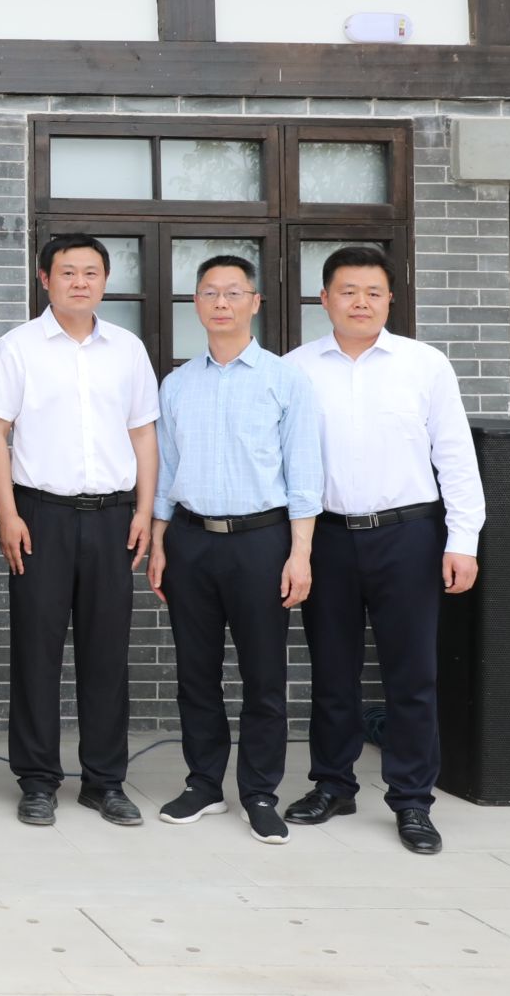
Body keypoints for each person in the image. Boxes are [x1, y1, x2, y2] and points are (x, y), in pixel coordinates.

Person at [281, 246, 484, 856]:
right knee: (331, 671)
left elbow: (455, 455)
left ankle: (413, 800)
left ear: (391, 298)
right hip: (327, 537)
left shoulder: (424, 365)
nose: (360, 302)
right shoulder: (296, 369)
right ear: (324, 299)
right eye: (347, 291)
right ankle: (333, 784)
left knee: (412, 673)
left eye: (373, 291)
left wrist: (463, 540)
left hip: (409, 534)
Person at [0, 234, 160, 829]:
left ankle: (105, 781)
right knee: (36, 649)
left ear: (105, 280)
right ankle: (37, 780)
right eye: (67, 272)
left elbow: (143, 434)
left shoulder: (127, 349)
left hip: (113, 517)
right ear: (44, 278)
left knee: (107, 652)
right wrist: (7, 513)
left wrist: (144, 511)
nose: (79, 282)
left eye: (90, 272)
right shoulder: (18, 347)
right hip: (40, 516)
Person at [148, 254, 321, 845]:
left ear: (255, 302)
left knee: (264, 673)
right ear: (195, 303)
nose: (220, 303)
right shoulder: (177, 384)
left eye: (232, 292)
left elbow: (305, 474)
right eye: (209, 293)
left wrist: (300, 553)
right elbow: (167, 471)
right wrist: (159, 544)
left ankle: (260, 792)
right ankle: (203, 783)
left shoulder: (285, 380)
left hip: (262, 541)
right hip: (191, 540)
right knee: (195, 672)